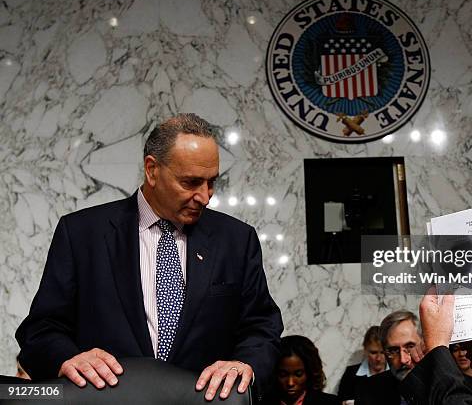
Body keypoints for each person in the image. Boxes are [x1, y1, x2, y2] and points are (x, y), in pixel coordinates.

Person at [15, 113, 283, 401]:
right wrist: (67, 358)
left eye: (211, 182)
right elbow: (40, 330)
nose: (205, 197)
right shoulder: (82, 234)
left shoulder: (236, 240)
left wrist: (245, 364)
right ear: (152, 170)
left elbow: (262, 327)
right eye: (191, 182)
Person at [358, 310, 422, 405]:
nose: (403, 360)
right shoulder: (370, 391)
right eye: (393, 350)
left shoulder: (443, 387)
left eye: (410, 347)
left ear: (424, 345)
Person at [270, 335, 340, 405]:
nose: (290, 383)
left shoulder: (330, 403)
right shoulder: (262, 402)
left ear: (310, 373)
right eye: (283, 375)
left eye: (298, 375)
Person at [337, 326, 388, 404]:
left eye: (383, 353)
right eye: (373, 352)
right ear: (365, 350)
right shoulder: (350, 374)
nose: (378, 358)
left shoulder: (396, 374)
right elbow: (340, 401)